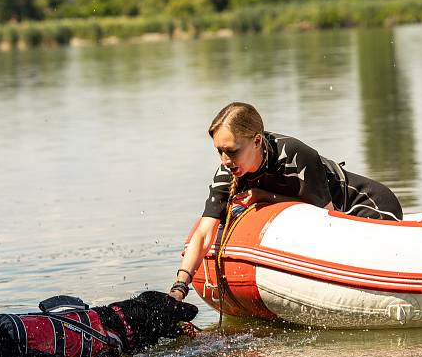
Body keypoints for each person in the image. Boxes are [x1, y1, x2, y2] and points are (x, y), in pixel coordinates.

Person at [169, 102, 403, 301]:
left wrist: (267, 197)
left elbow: (329, 221)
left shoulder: (293, 155)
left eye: (231, 151)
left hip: (368, 207)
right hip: (340, 215)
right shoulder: (228, 172)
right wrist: (179, 287)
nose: (225, 160)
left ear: (257, 141)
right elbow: (204, 233)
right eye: (219, 151)